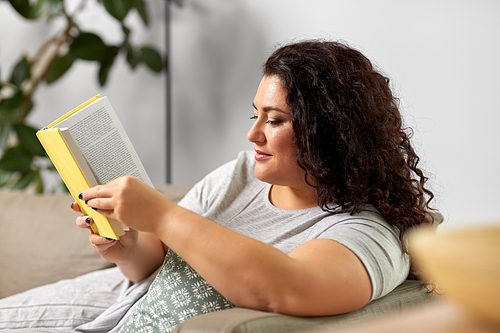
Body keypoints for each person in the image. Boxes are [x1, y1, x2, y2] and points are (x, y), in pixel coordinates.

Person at [0, 39, 434, 332]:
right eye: (255, 115)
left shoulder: (368, 233)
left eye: (276, 120)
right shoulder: (239, 176)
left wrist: (164, 215)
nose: (254, 135)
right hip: (115, 306)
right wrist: (126, 246)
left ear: (332, 132)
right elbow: (156, 263)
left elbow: (286, 288)